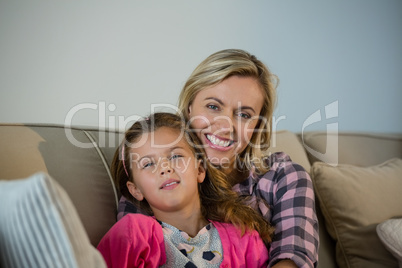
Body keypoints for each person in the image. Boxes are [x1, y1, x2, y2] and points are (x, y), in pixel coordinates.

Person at [118, 49, 319, 268]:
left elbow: (293, 258)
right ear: (189, 108)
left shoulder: (284, 176)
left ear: (257, 126)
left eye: (244, 115)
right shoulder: (151, 179)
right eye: (213, 106)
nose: (225, 126)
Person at [98, 113, 274, 267]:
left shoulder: (245, 238)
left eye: (175, 156)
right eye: (148, 163)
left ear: (199, 170)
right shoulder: (132, 234)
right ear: (135, 190)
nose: (165, 168)